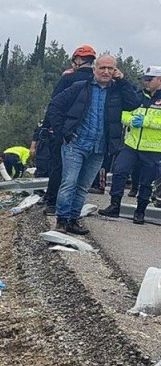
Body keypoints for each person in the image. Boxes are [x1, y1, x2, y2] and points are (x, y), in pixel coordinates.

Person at [46, 55, 140, 234]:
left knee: (83, 186)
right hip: (76, 143)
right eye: (102, 68)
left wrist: (122, 81)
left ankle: (74, 220)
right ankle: (62, 219)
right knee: (69, 182)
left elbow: (134, 103)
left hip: (99, 147)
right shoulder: (80, 87)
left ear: (115, 71)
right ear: (94, 69)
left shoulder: (117, 92)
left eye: (110, 69)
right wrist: (62, 131)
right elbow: (55, 105)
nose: (106, 72)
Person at [98, 66, 161, 224]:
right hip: (131, 144)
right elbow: (124, 112)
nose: (145, 82)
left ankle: (140, 212)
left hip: (153, 148)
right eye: (144, 79)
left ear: (159, 80)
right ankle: (114, 205)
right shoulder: (138, 96)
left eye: (149, 79)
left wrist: (146, 122)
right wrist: (130, 120)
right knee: (119, 172)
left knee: (146, 182)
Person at [41, 45, 99, 216]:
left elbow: (54, 104)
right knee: (80, 173)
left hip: (65, 130)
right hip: (87, 133)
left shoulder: (68, 79)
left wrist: (48, 128)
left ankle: (52, 203)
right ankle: (72, 207)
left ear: (78, 60)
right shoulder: (97, 82)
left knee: (58, 167)